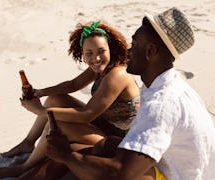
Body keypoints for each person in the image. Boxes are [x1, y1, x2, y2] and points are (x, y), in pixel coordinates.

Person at [45, 7, 215, 180]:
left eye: (134, 45)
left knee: (80, 160)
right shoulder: (174, 86)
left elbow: (120, 174)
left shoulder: (162, 103)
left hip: (173, 175)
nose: (128, 51)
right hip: (169, 166)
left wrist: (66, 155)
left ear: (150, 51)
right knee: (102, 147)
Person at [0, 20, 140, 178]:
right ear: (82, 54)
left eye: (101, 51)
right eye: (89, 53)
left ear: (110, 49)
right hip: (102, 124)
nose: (96, 58)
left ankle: (25, 167)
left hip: (118, 140)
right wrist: (40, 92)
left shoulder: (116, 75)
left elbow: (87, 114)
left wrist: (41, 111)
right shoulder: (100, 67)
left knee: (57, 124)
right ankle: (28, 143)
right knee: (55, 99)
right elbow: (73, 84)